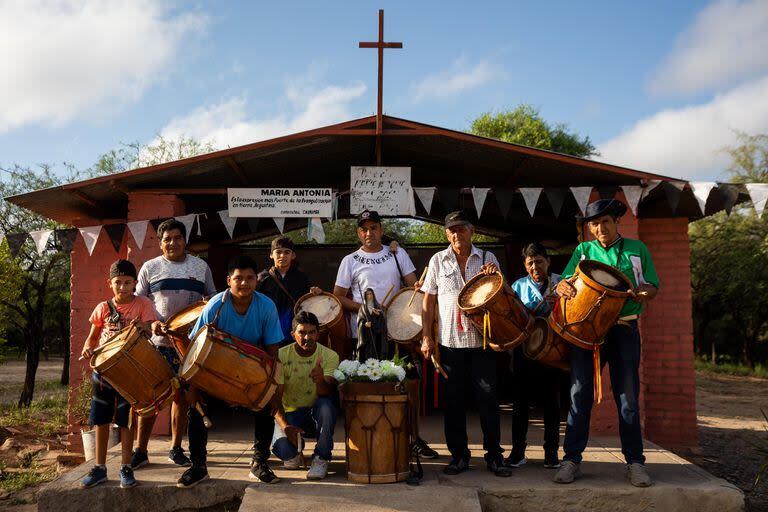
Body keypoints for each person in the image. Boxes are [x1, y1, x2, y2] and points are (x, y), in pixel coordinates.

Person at [552, 199, 659, 487]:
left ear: (616, 222)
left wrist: (645, 292)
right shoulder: (583, 251)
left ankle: (635, 463)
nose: (600, 227)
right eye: (595, 223)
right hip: (587, 335)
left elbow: (651, 285)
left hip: (624, 331)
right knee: (579, 396)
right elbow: (565, 281)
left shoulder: (638, 249)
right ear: (590, 228)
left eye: (605, 222)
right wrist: (561, 285)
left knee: (628, 400)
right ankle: (571, 459)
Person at [178, 255, 291, 488]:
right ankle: (198, 466)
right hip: (214, 372)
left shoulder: (266, 305)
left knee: (266, 406)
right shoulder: (215, 305)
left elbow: (272, 352)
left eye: (250, 278)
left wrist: (274, 387)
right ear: (229, 280)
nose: (244, 283)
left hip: (252, 373)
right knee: (197, 409)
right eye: (238, 278)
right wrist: (193, 388)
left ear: (256, 281)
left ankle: (259, 463)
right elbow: (195, 349)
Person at [333, 209, 438, 460]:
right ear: (359, 233)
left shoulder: (396, 253)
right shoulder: (350, 260)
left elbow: (415, 287)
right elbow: (337, 296)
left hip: (396, 331)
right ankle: (366, 438)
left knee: (409, 383)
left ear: (380, 229)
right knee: (366, 385)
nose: (369, 232)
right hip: (366, 332)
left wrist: (406, 299)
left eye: (373, 228)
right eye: (364, 229)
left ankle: (413, 438)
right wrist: (368, 310)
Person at [421, 210, 513, 477]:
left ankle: (495, 457)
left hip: (481, 342)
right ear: (446, 234)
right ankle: (459, 456)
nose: (457, 234)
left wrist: (497, 276)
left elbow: (504, 294)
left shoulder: (487, 258)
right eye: (452, 230)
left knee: (488, 401)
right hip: (449, 343)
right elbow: (428, 302)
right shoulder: (438, 260)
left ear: (472, 231)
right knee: (454, 403)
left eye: (461, 229)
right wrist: (427, 335)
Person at [132, 219, 216, 470]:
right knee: (151, 397)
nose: (173, 243)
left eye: (177, 238)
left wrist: (201, 324)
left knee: (182, 397)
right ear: (160, 243)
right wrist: (151, 324)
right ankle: (140, 450)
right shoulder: (150, 267)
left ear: (184, 240)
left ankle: (176, 448)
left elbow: (211, 299)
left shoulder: (200, 267)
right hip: (157, 344)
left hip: (190, 345)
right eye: (167, 239)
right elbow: (139, 302)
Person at [79, 260, 157, 489]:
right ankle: (100, 468)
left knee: (126, 422)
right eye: (118, 283)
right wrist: (87, 347)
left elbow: (150, 330)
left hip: (129, 374)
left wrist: (144, 327)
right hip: (103, 372)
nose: (122, 287)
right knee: (100, 421)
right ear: (109, 283)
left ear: (135, 283)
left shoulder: (143, 304)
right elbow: (92, 338)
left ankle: (126, 467)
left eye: (127, 283)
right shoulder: (103, 307)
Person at [506, 242, 562, 469]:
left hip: (553, 352)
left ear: (548, 261)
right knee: (520, 404)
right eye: (530, 263)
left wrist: (559, 305)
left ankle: (551, 454)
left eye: (539, 261)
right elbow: (510, 317)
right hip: (524, 352)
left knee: (552, 404)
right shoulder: (517, 286)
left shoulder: (561, 283)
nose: (535, 266)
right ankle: (518, 452)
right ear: (525, 265)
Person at [271, 311, 340, 480]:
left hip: (315, 413)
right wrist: (285, 425)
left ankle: (321, 458)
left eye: (312, 332)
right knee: (286, 454)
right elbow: (275, 397)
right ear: (292, 334)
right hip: (291, 414)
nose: (307, 337)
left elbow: (327, 392)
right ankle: (294, 449)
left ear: (318, 333)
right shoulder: (281, 356)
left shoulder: (330, 356)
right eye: (302, 332)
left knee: (326, 406)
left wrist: (319, 380)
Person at [257, 236, 321, 344]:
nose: (282, 256)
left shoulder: (302, 278)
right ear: (271, 255)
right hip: (268, 332)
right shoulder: (262, 279)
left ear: (293, 255)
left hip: (295, 334)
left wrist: (316, 293)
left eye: (287, 252)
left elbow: (308, 304)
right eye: (278, 252)